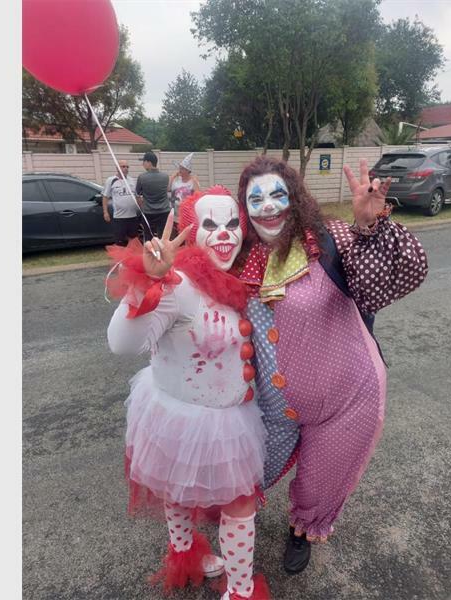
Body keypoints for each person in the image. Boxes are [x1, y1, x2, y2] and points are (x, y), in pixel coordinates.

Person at [234, 156, 429, 574]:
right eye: (255, 199)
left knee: (319, 481)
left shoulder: (330, 238)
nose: (267, 207)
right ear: (244, 208)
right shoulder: (240, 254)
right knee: (247, 470)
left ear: (295, 197)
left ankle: (302, 530)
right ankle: (234, 519)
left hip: (346, 400)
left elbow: (384, 286)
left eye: (277, 195)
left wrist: (369, 229)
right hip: (271, 406)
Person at [106, 187, 271, 600]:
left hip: (232, 415)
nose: (224, 234)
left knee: (230, 502)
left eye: (232, 224)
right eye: (211, 224)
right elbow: (121, 344)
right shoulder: (177, 284)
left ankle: (235, 587)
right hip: (179, 414)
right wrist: (146, 281)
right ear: (192, 231)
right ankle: (197, 563)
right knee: (182, 491)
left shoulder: (242, 278)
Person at [102, 160, 141, 246]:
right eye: (123, 166)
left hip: (132, 217)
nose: (126, 168)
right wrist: (105, 212)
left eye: (127, 167)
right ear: (117, 168)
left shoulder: (132, 181)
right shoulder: (111, 180)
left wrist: (142, 208)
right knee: (120, 242)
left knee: (134, 241)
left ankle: (132, 254)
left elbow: (137, 196)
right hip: (119, 218)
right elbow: (105, 197)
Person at [135, 151, 171, 243]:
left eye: (144, 162)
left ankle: (150, 251)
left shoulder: (142, 177)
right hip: (164, 211)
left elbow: (138, 195)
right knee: (163, 238)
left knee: (149, 238)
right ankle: (162, 252)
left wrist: (141, 207)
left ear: (149, 162)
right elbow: (167, 190)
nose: (143, 164)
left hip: (148, 212)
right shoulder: (165, 177)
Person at [167, 152, 200, 236]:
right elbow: (168, 189)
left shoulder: (193, 181)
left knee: (187, 237)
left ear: (187, 170)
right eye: (179, 168)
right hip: (175, 215)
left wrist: (195, 182)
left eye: (182, 169)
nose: (179, 170)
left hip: (187, 216)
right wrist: (172, 178)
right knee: (175, 237)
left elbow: (198, 195)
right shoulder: (176, 181)